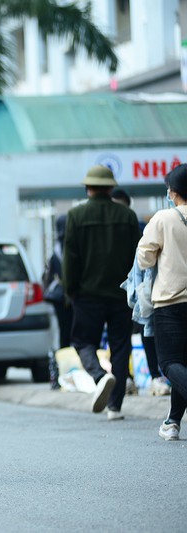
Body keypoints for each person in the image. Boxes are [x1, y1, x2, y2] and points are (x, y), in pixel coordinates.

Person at [62, 165, 141, 420]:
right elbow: (136, 257)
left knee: (83, 342)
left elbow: (70, 259)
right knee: (120, 347)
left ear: (88, 188)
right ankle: (115, 407)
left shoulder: (76, 216)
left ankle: (99, 376)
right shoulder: (127, 216)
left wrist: (70, 290)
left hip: (87, 295)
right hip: (121, 295)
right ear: (110, 188)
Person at [136, 163, 187, 440]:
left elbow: (144, 257)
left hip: (170, 301)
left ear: (174, 192)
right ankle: (172, 422)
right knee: (184, 364)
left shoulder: (164, 219)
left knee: (168, 363)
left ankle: (173, 421)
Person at [111, 188, 171, 396]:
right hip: (116, 292)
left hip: (139, 290)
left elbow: (145, 259)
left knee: (147, 331)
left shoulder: (137, 226)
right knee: (121, 338)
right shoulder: (108, 229)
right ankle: (125, 379)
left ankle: (155, 376)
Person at [42, 214, 72, 351]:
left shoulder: (56, 249)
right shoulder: (73, 245)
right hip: (74, 295)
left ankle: (65, 361)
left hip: (59, 298)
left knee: (63, 330)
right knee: (74, 331)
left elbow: (48, 275)